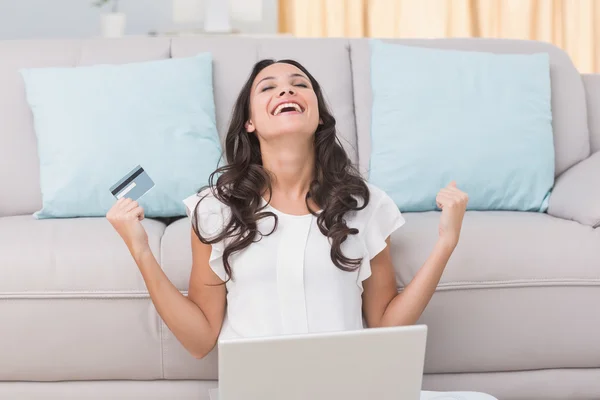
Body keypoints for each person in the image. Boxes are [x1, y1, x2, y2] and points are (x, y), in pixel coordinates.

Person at [107, 59, 497, 400]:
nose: (287, 89)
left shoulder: (366, 205)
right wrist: (141, 250)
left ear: (320, 115)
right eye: (269, 87)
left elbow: (384, 324)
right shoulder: (214, 209)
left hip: (350, 392)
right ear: (250, 122)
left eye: (299, 84)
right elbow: (199, 339)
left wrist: (446, 243)